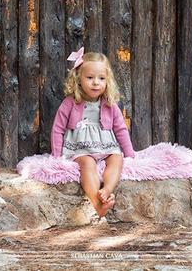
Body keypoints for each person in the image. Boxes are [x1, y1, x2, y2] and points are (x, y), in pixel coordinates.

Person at [50, 47, 135, 217]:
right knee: (87, 164)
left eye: (101, 78)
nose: (96, 82)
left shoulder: (110, 104)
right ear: (78, 79)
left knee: (116, 159)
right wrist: (57, 156)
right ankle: (97, 204)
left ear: (107, 81)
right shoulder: (70, 103)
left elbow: (120, 129)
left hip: (106, 145)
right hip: (81, 147)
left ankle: (107, 190)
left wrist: (129, 153)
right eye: (90, 77)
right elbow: (57, 129)